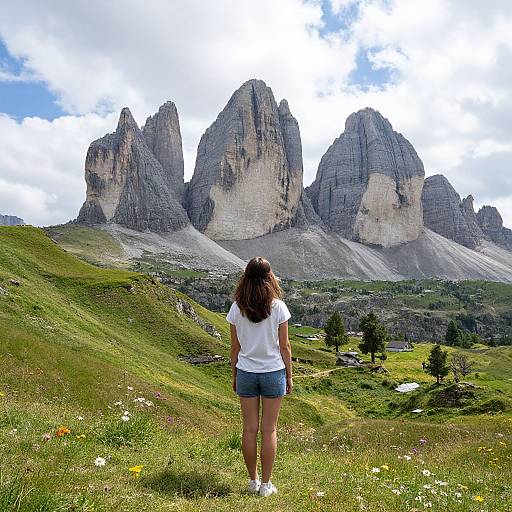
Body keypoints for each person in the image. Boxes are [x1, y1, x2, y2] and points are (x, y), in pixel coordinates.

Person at [226, 256, 293, 497]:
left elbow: (234, 348)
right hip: (273, 372)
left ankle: (252, 481)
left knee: (249, 429)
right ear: (269, 277)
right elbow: (285, 347)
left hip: (246, 372)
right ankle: (266, 485)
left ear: (245, 277)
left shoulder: (237, 307)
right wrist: (289, 375)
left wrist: (234, 374)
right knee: (269, 429)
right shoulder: (278, 307)